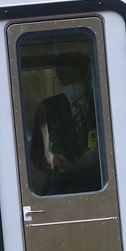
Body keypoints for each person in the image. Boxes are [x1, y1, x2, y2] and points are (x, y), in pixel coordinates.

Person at [29, 63, 101, 195]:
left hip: (97, 179)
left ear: (86, 77)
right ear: (60, 80)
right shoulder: (48, 107)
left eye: (75, 78)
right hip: (60, 182)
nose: (71, 83)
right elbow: (37, 151)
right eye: (66, 79)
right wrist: (50, 159)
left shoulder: (100, 102)